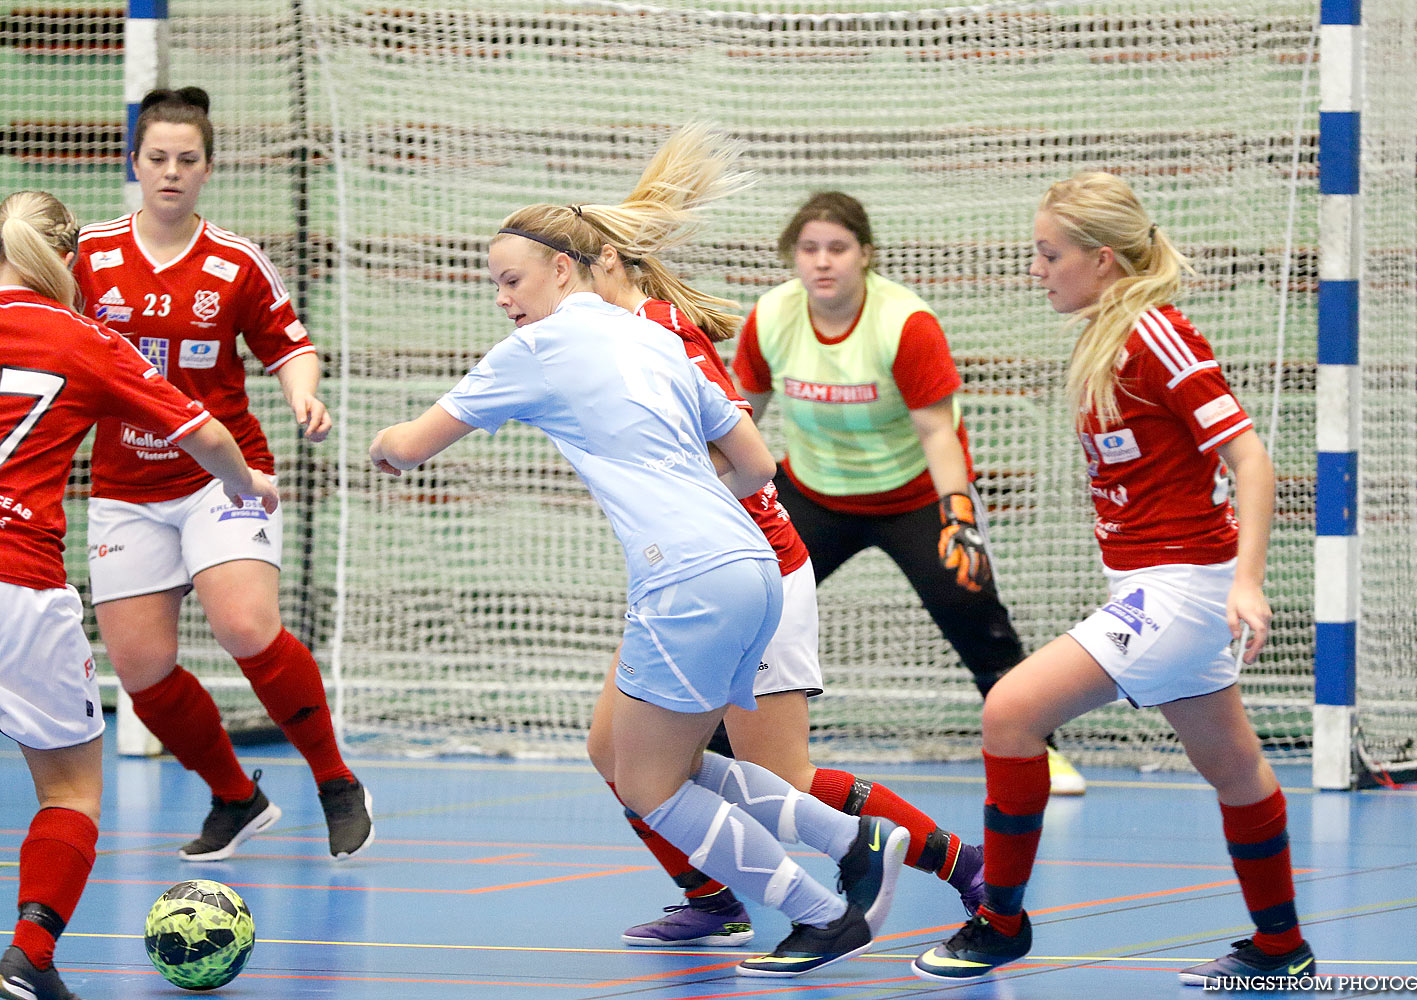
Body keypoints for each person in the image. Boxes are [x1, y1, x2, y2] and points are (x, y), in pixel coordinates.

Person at [368, 173, 912, 976]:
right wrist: (692, 512)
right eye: (493, 285)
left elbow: (411, 445)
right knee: (661, 761)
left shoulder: (538, 348)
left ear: (564, 269)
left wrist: (379, 441)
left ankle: (822, 912)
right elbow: (757, 462)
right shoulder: (656, 335)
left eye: (511, 280)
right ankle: (847, 836)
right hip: (753, 564)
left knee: (649, 786)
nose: (502, 298)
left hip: (688, 579)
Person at [571, 128, 987, 949]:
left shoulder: (659, 335)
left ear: (593, 270)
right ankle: (714, 898)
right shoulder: (602, 337)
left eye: (524, 277)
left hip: (748, 565)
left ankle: (962, 864)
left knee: (778, 779)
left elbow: (743, 459)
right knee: (614, 753)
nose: (515, 296)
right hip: (681, 575)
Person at [912, 171, 1314, 986]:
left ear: (1101, 259)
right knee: (1235, 770)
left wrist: (1249, 581)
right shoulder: (1106, 333)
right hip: (1158, 586)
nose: (1037, 269)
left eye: (1048, 253)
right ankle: (1281, 946)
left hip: (1181, 591)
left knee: (1011, 713)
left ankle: (1000, 923)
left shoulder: (1155, 335)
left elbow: (1250, 458)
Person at [71, 87, 373, 861]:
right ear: (134, 162)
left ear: (208, 168)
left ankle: (336, 780)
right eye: (157, 158)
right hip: (125, 488)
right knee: (141, 671)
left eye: (187, 159)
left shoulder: (234, 260)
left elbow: (290, 345)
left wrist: (303, 395)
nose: (171, 172)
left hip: (224, 474)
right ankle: (235, 798)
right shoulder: (91, 255)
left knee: (244, 624)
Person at [0, 190, 280, 1000]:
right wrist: (249, 485)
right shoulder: (87, 338)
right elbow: (208, 434)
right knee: (71, 789)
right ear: (71, 262)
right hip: (19, 583)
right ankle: (28, 957)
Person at [730, 191, 1085, 795]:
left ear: (865, 255)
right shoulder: (771, 317)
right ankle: (711, 748)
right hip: (814, 493)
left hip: (912, 497)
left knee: (974, 608)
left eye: (837, 248)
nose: (822, 262)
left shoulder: (905, 322)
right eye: (809, 248)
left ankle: (1039, 752)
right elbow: (743, 416)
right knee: (746, 606)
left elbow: (938, 432)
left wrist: (961, 519)